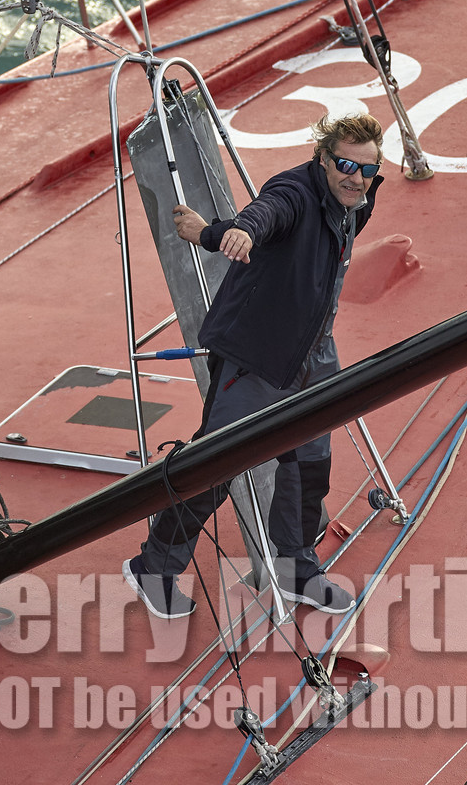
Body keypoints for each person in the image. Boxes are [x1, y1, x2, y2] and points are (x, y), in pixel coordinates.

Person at [123, 112, 385, 619]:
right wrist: (225, 232)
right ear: (323, 159)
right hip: (258, 352)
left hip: (314, 353)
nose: (355, 176)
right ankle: (153, 567)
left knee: (308, 467)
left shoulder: (359, 200)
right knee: (217, 465)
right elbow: (267, 213)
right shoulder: (295, 192)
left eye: (367, 168)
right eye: (345, 164)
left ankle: (296, 570)